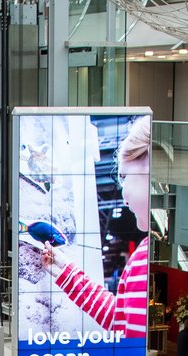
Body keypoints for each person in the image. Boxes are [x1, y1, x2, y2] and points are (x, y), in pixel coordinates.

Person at [42, 116, 151, 338]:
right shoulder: (144, 255)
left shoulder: (144, 258)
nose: (124, 195)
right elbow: (119, 318)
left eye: (125, 177)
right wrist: (65, 270)